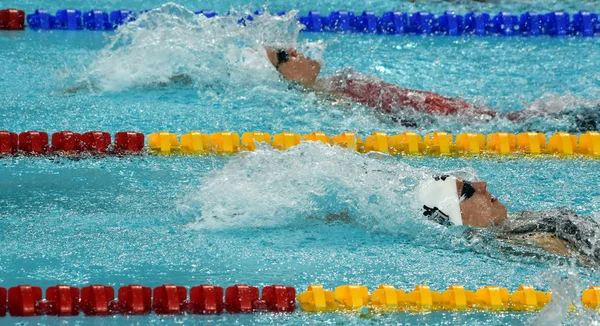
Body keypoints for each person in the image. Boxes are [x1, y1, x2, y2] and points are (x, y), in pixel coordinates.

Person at [265, 48, 600, 132]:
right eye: (287, 56)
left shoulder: (334, 82)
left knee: (506, 118)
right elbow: (375, 118)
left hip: (431, 107)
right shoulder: (325, 97)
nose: (299, 53)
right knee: (511, 122)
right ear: (284, 72)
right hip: (426, 116)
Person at [417, 174, 600, 264]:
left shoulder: (514, 224)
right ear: (457, 217)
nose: (481, 185)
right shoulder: (526, 240)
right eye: (468, 190)